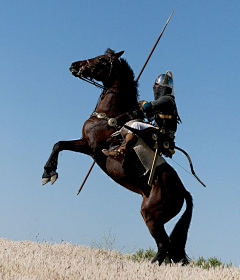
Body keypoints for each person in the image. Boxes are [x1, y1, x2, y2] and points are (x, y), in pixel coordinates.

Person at [102, 70, 181, 158]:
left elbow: (147, 106)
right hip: (158, 131)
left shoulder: (167, 99)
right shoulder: (165, 102)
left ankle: (121, 150)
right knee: (131, 123)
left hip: (163, 135)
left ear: (161, 87)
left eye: (157, 85)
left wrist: (142, 103)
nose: (155, 87)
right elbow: (149, 115)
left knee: (136, 125)